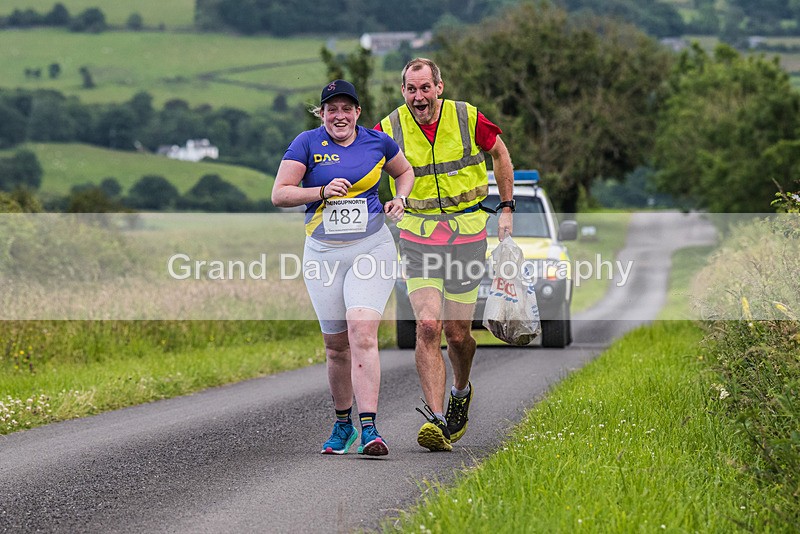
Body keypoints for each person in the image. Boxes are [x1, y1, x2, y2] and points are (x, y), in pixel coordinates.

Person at [376, 58, 515, 452]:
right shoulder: (389, 128)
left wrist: (506, 208)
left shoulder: (466, 116)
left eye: (425, 88)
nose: (419, 97)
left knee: (458, 335)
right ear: (403, 91)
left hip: (466, 239)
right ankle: (436, 420)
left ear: (439, 86)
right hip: (418, 239)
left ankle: (461, 390)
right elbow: (362, 166)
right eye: (411, 89)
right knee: (427, 325)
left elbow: (500, 156)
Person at [272, 80, 415, 456]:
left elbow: (405, 172)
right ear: (322, 114)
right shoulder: (306, 143)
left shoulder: (378, 142)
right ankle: (342, 425)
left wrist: (400, 199)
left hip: (371, 248)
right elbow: (280, 193)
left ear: (357, 112)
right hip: (322, 254)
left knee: (362, 332)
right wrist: (319, 191)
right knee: (336, 347)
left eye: (346, 108)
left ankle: (370, 428)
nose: (339, 115)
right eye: (331, 109)